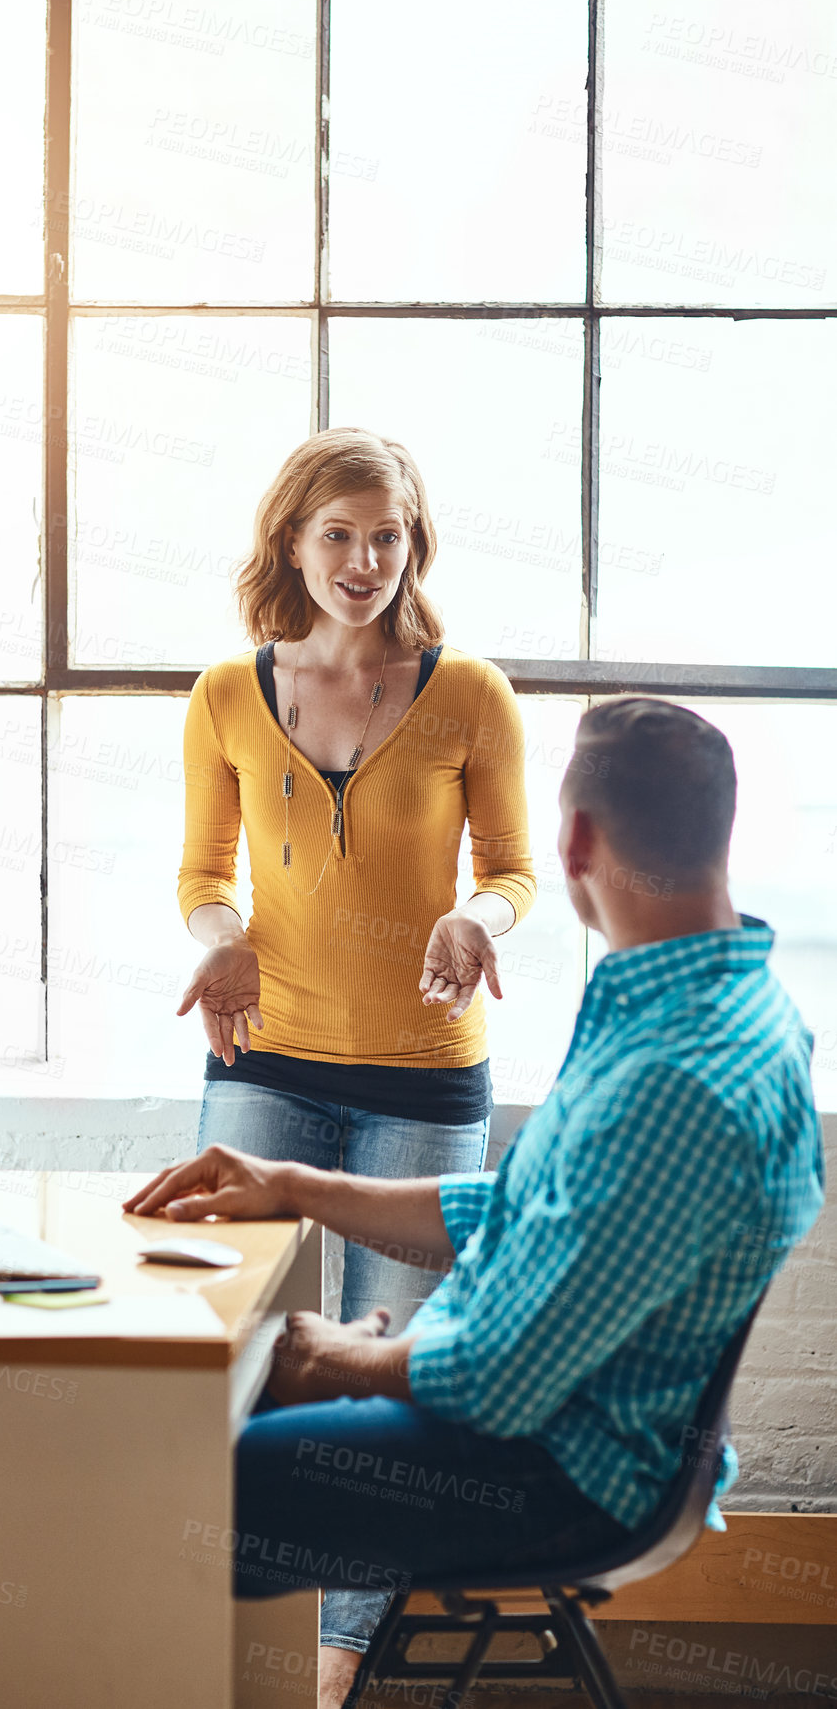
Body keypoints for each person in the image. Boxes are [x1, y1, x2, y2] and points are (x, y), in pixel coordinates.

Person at [130, 699, 826, 1708]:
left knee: (156, 1479)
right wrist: (297, 1187)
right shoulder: (713, 1001)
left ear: (575, 838)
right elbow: (529, 1206)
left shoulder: (669, 1076)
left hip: (549, 1471)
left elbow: (495, 1377)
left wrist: (322, 1359)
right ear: (716, 829)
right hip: (553, 1429)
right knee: (200, 1427)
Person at [176, 426, 536, 1342]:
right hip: (264, 1062)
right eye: (336, 534)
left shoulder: (471, 695)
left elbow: (512, 870)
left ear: (414, 546)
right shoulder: (225, 694)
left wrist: (472, 915)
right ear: (291, 543)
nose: (363, 560)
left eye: (387, 535)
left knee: (396, 1366)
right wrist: (224, 940)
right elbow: (204, 873)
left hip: (424, 1075)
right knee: (245, 1351)